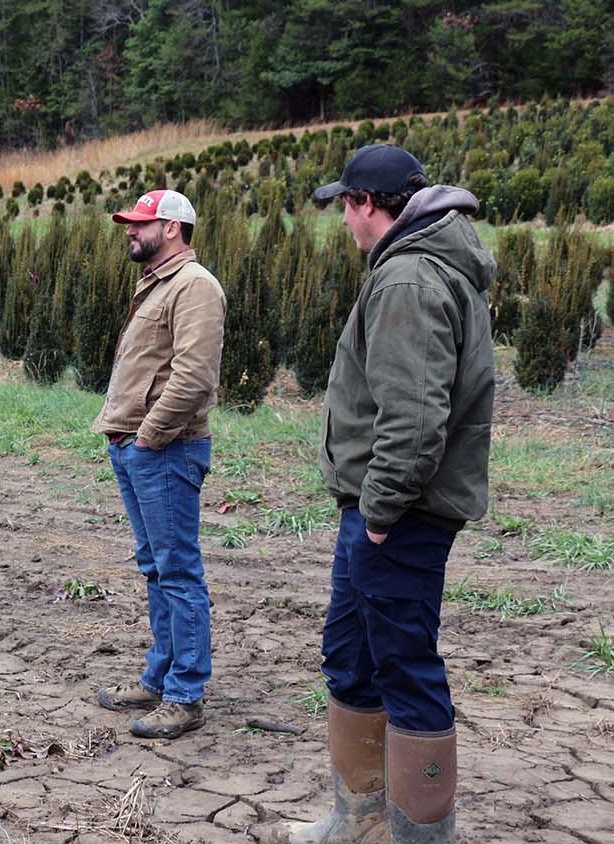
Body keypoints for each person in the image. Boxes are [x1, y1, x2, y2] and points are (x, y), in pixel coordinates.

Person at [269, 145, 494, 844]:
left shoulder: (408, 278)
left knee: (404, 665)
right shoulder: (414, 267)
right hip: (379, 509)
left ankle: (420, 836)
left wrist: (380, 512)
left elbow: (415, 415)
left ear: (368, 204)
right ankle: (359, 822)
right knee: (351, 654)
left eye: (345, 205)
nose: (342, 220)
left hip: (399, 513)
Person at [90, 189, 226, 739]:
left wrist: (148, 439)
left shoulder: (195, 287)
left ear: (173, 228)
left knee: (178, 572)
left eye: (140, 223)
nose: (129, 230)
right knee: (155, 567)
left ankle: (185, 695)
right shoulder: (157, 284)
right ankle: (160, 675)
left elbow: (195, 377)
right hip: (133, 447)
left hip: (165, 449)